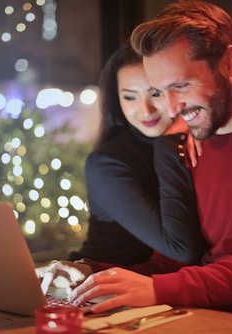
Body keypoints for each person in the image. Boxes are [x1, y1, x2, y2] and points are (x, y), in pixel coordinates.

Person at [42, 0, 232, 312]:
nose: (170, 110)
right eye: (160, 90)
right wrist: (95, 274)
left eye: (180, 85)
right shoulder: (193, 138)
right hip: (202, 312)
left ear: (229, 63)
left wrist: (160, 288)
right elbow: (174, 263)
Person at [67, 40, 206, 270]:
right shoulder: (106, 164)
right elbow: (182, 249)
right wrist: (168, 142)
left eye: (155, 93)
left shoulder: (196, 140)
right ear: (116, 99)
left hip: (153, 291)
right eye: (129, 97)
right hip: (100, 288)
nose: (145, 110)